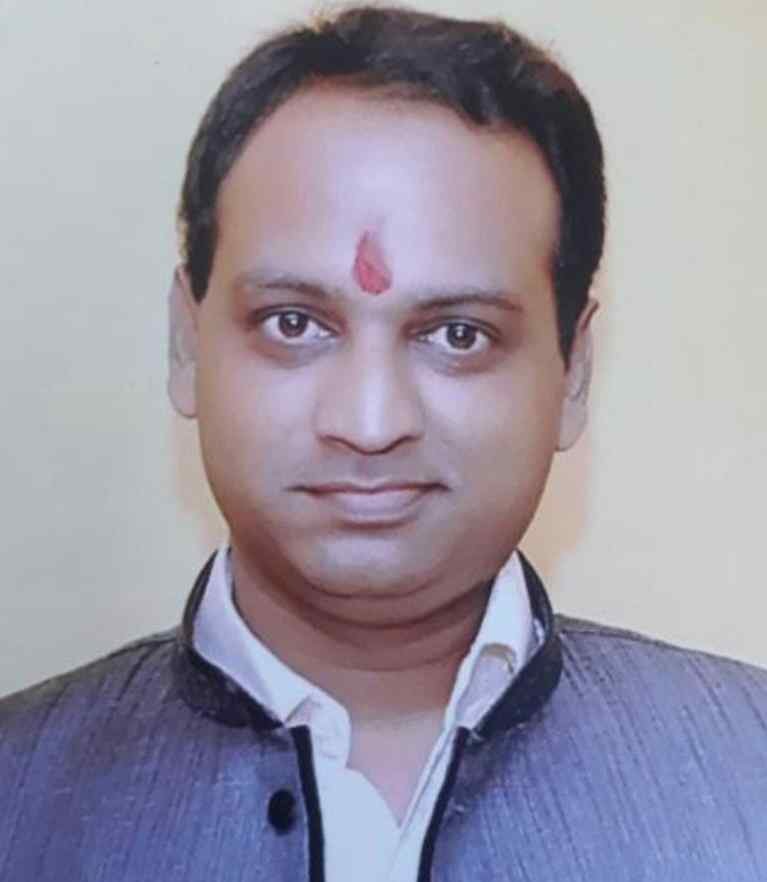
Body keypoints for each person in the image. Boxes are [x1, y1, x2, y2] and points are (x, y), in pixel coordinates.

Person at [1, 5, 765, 881]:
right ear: (186, 345)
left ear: (572, 374)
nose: (369, 424)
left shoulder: (745, 778)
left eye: (458, 335)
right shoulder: (19, 800)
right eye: (293, 323)